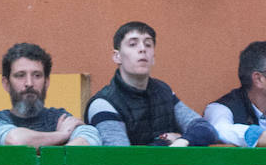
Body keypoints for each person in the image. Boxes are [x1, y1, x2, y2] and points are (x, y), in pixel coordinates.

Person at [85, 22, 217, 147]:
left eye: (148, 45)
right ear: (117, 56)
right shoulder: (103, 104)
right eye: (133, 44)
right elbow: (122, 160)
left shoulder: (164, 92)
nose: (142, 49)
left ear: (153, 57)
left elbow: (205, 128)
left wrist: (183, 140)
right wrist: (165, 142)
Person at [0, 42, 100, 146]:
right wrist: (61, 135)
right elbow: (15, 141)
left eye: (37, 75)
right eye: (20, 75)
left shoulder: (60, 118)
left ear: (46, 82)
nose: (29, 83)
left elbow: (89, 140)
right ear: (6, 83)